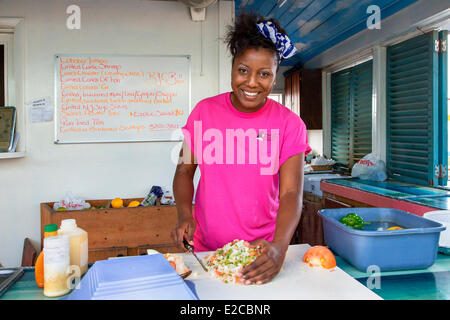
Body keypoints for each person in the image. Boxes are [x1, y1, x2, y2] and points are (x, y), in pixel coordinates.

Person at [171, 11, 311, 285]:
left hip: (261, 254)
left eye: (264, 74)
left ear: (274, 76)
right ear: (233, 66)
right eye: (243, 70)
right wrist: (184, 214)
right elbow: (184, 170)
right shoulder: (203, 113)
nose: (251, 82)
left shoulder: (290, 125)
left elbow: (292, 192)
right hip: (206, 251)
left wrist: (280, 247)